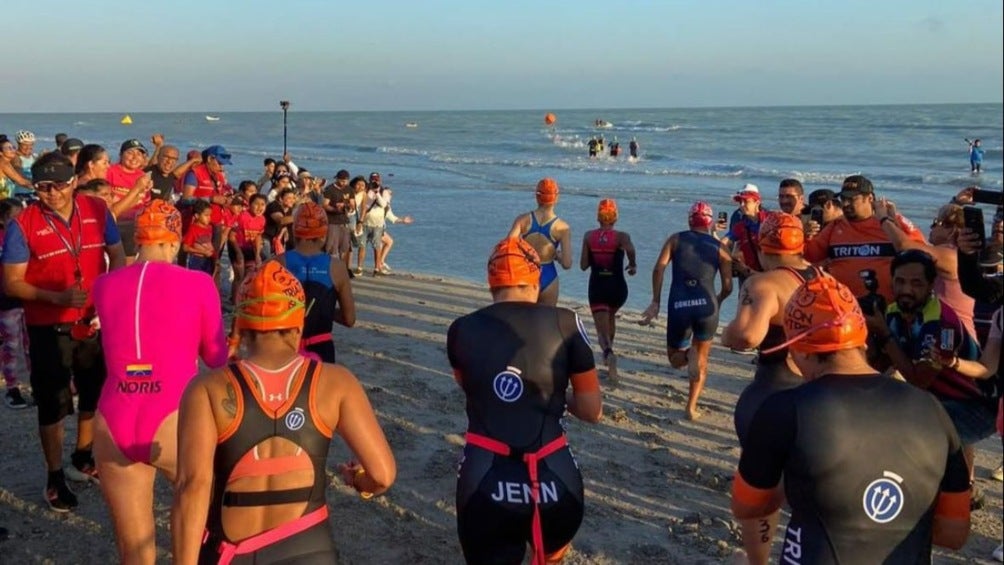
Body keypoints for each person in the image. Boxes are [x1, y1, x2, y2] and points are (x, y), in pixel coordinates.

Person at [730, 275, 971, 564]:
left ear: (800, 348)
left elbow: (746, 506)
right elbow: (952, 535)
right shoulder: (932, 409)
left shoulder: (785, 409)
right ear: (863, 339)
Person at [172, 261, 396, 564]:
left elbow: (192, 488)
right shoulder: (336, 382)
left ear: (242, 324)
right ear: (299, 321)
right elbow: (382, 475)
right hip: (310, 549)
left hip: (232, 551)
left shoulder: (206, 390)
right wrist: (358, 481)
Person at [447, 237, 602, 565]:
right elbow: (591, 411)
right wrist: (553, 394)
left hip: (484, 480)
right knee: (552, 551)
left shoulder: (461, 330)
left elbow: (474, 389)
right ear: (536, 281)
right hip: (555, 480)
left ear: (491, 284)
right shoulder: (567, 323)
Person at [92, 200, 228, 564]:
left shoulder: (103, 285)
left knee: (134, 549)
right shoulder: (198, 283)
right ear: (175, 240)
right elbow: (216, 358)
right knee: (200, 531)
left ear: (138, 239)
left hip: (113, 416)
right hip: (173, 414)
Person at [2, 152, 125, 511]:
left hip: (92, 321)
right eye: (42, 187)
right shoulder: (23, 223)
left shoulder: (98, 211)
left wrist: (109, 296)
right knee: (53, 405)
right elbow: (11, 283)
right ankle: (54, 477)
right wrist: (56, 297)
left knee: (94, 393)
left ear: (74, 181)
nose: (51, 193)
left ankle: (82, 456)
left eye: (58, 185)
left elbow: (116, 254)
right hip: (47, 327)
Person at [866, 249, 997, 506]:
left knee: (913, 431)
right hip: (939, 401)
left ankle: (943, 497)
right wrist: (868, 338)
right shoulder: (893, 312)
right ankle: (963, 491)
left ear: (930, 286)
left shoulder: (941, 322)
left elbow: (918, 380)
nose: (907, 289)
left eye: (916, 283)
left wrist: (885, 335)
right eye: (900, 281)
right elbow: (877, 365)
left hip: (976, 407)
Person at [723, 212, 824, 443]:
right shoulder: (824, 276)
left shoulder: (763, 284)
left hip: (780, 381)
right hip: (821, 383)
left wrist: (725, 335)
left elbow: (746, 337)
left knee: (760, 461)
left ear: (762, 248)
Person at [641, 201, 733, 420]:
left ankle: (687, 355)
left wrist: (656, 301)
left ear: (689, 220)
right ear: (710, 222)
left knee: (674, 358)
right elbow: (728, 286)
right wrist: (718, 300)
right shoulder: (719, 247)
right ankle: (691, 408)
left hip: (679, 304)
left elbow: (659, 269)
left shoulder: (676, 239)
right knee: (702, 360)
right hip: (707, 305)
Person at [804, 175, 923, 304]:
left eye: (852, 199)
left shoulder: (891, 222)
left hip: (887, 308)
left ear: (870, 198)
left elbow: (921, 254)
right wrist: (806, 234)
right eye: (843, 199)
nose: (845, 204)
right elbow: (810, 255)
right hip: (844, 307)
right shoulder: (836, 225)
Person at [877, 200, 978, 342]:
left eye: (936, 222)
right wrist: (894, 219)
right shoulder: (942, 254)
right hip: (938, 330)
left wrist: (883, 218)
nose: (931, 227)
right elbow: (914, 247)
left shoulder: (953, 256)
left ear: (951, 230)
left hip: (958, 336)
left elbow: (904, 246)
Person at [272, 202, 356, 363]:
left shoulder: (276, 263)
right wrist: (322, 311)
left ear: (294, 232)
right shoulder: (337, 267)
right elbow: (349, 319)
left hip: (284, 346)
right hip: (321, 347)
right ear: (324, 235)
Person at [579, 198, 636, 383]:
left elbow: (583, 265)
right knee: (610, 316)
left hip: (598, 287)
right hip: (618, 288)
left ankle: (608, 353)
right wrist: (632, 264)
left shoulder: (589, 236)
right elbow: (630, 249)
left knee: (601, 330)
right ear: (615, 218)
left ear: (598, 217)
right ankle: (609, 351)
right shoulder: (622, 236)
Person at [507, 178, 572, 306]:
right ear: (556, 197)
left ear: (537, 197)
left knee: (524, 321)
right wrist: (557, 255)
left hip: (526, 274)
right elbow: (567, 264)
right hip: (548, 275)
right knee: (546, 322)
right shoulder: (562, 227)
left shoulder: (522, 220)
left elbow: (508, 246)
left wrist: (524, 249)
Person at [0, 199, 30, 409]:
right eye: (15, 216)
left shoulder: (24, 236)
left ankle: (37, 385)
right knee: (11, 346)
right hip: (5, 301)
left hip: (28, 298)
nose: (20, 219)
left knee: (32, 345)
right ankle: (12, 388)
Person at [719, 184, 768, 286]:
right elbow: (721, 244)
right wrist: (713, 231)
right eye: (740, 202)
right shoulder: (740, 226)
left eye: (746, 201)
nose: (741, 205)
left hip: (770, 276)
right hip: (748, 276)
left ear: (757, 202)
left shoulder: (770, 220)